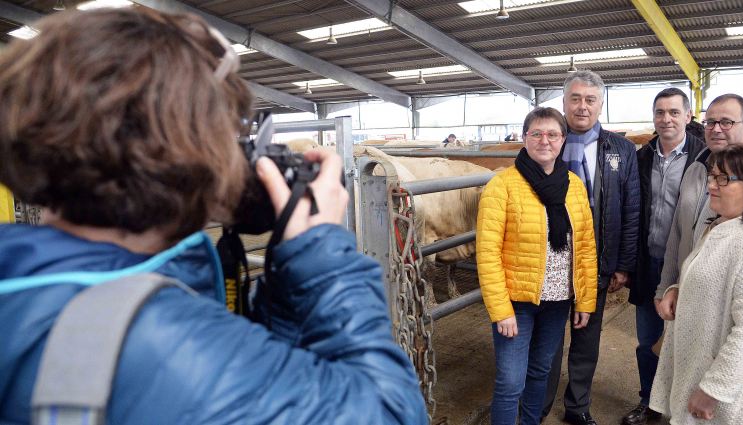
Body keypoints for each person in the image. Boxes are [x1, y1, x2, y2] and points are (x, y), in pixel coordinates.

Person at [0, 8, 428, 424]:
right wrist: (324, 260)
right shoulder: (160, 340)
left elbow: (257, 368)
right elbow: (389, 412)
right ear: (193, 152)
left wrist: (286, 279)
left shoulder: (28, 281)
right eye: (233, 138)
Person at [649, 144, 743, 423]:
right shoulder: (720, 228)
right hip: (699, 374)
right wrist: (677, 291)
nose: (711, 185)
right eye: (712, 176)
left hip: (729, 400)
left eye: (723, 179)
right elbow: (710, 280)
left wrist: (713, 389)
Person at [476, 107, 597, 425]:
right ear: (524, 137)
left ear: (563, 139)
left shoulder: (573, 186)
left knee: (540, 373)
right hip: (517, 304)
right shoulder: (502, 186)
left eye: (553, 134)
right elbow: (487, 253)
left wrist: (586, 300)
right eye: (537, 133)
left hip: (558, 301)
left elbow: (584, 247)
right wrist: (501, 309)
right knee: (510, 382)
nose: (545, 140)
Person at [543, 70, 641, 425]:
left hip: (595, 262)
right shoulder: (546, 142)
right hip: (550, 262)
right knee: (548, 340)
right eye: (575, 98)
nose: (582, 106)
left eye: (590, 99)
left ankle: (577, 406)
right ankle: (539, 403)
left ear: (601, 104)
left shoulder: (622, 149)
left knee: (586, 338)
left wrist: (623, 263)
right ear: (564, 102)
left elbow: (631, 208)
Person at [655, 93, 743, 322]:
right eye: (710, 122)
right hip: (686, 296)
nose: (716, 129)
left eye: (726, 122)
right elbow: (677, 233)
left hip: (730, 310)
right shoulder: (695, 170)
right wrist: (666, 286)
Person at [622, 88, 704, 425]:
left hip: (688, 266)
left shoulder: (704, 158)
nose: (666, 119)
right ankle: (648, 401)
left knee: (688, 340)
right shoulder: (640, 158)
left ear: (687, 116)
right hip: (649, 262)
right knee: (647, 340)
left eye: (673, 112)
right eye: (660, 112)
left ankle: (682, 404)